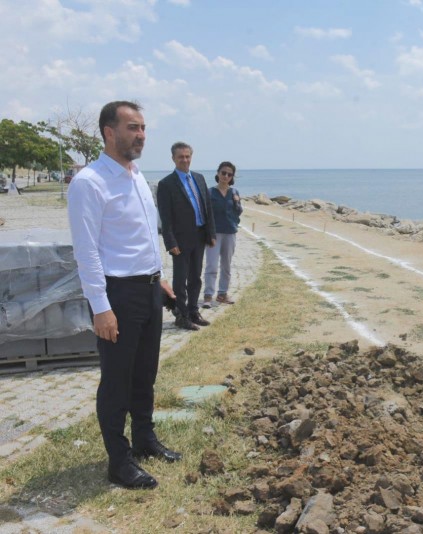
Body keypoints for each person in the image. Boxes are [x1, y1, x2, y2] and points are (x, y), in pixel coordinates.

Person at [67, 101, 182, 490]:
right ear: (108, 132)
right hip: (117, 294)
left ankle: (145, 440)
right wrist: (101, 307)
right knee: (116, 379)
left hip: (148, 290)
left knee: (144, 372)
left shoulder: (135, 176)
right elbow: (87, 252)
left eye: (144, 128)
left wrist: (160, 278)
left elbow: (145, 236)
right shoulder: (90, 182)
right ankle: (119, 460)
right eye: (133, 127)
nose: (142, 135)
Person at [157, 142, 216, 330]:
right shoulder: (166, 184)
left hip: (199, 236)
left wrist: (211, 233)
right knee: (180, 280)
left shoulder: (199, 178)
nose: (185, 160)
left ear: (191, 157)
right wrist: (170, 241)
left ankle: (193, 311)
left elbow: (207, 208)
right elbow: (165, 218)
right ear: (173, 158)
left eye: (187, 156)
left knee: (196, 278)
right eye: (180, 156)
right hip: (180, 240)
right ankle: (181, 316)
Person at [203, 161, 243, 308]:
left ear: (232, 177)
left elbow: (238, 212)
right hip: (214, 234)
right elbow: (205, 214)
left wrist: (237, 203)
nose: (225, 176)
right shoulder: (210, 192)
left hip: (230, 233)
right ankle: (208, 295)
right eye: (223, 173)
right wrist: (208, 233)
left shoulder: (234, 192)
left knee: (226, 266)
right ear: (218, 173)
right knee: (212, 265)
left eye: (229, 174)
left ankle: (222, 294)